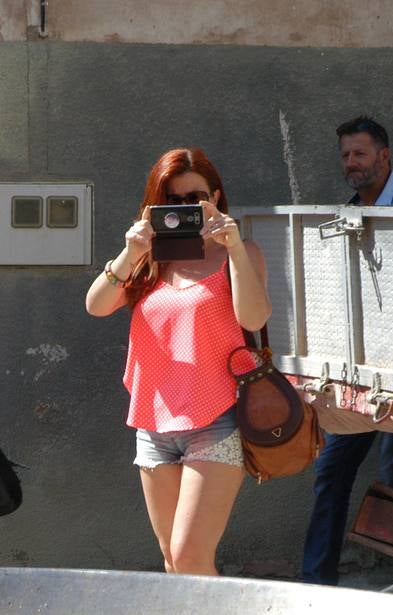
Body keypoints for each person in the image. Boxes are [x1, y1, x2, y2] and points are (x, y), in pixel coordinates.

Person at [85, 147, 270, 575]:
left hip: (215, 419)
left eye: (196, 198)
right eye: (173, 200)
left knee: (190, 555)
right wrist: (131, 253)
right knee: (172, 559)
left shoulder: (239, 253)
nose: (185, 209)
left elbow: (254, 317)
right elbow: (96, 304)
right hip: (153, 422)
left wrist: (235, 248)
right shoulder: (149, 257)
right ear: (157, 205)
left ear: (216, 197)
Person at [299, 116, 393, 585]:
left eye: (359, 154)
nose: (350, 163)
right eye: (344, 155)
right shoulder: (348, 211)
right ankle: (316, 582)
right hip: (360, 374)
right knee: (332, 473)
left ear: (384, 156)